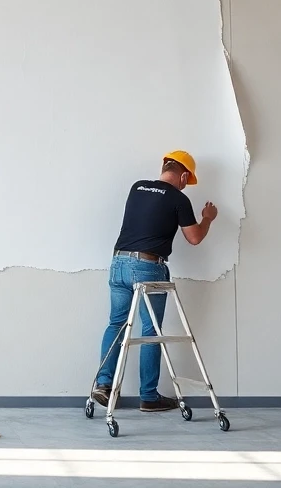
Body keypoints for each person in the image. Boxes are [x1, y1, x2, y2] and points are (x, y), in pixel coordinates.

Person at [90, 150, 217, 412]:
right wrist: (207, 218)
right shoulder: (179, 199)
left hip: (118, 264)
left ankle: (103, 385)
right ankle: (148, 396)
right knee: (151, 332)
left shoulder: (137, 188)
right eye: (187, 180)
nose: (185, 185)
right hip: (147, 267)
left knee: (116, 324)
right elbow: (194, 238)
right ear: (183, 175)